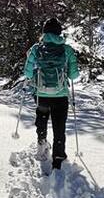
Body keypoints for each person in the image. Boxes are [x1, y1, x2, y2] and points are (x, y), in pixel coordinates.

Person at [23, 17, 78, 170]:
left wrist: (35, 72)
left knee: (42, 117)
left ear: (44, 33)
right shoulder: (67, 50)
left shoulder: (36, 48)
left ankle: (41, 141)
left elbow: (27, 72)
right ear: (59, 33)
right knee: (59, 126)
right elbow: (74, 76)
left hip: (41, 94)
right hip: (60, 95)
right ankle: (58, 158)